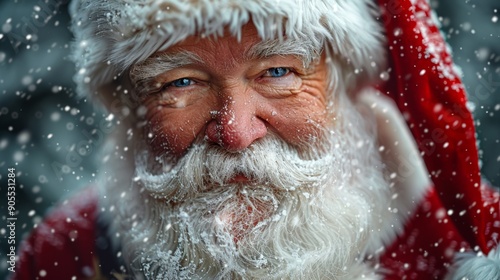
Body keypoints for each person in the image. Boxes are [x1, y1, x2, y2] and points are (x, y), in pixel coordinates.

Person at [12, 0, 500, 279]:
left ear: (342, 83)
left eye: (278, 72)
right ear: (130, 106)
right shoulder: (65, 255)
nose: (236, 132)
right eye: (181, 83)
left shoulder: (462, 244)